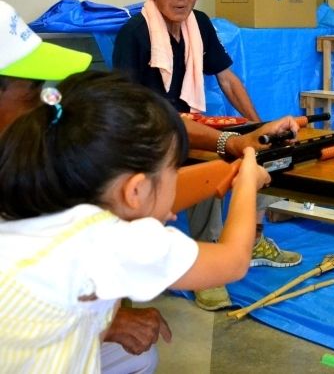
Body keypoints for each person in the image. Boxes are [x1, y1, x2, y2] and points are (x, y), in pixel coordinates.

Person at [0, 69, 270, 373]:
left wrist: (225, 172)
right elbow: (232, 261)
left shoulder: (37, 199)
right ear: (136, 190)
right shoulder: (114, 242)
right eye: (172, 170)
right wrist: (248, 182)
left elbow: (142, 201)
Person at [112, 0, 301, 311]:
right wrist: (230, 138)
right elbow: (130, 107)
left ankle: (256, 237)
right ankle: (208, 260)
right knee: (207, 164)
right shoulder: (134, 33)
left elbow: (228, 80)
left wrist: (258, 127)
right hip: (149, 131)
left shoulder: (198, 24)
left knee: (264, 150)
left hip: (187, 122)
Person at [0, 0, 168, 373]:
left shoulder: (22, 155)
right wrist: (101, 323)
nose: (46, 107)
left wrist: (230, 148)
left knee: (133, 354)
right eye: (34, 91)